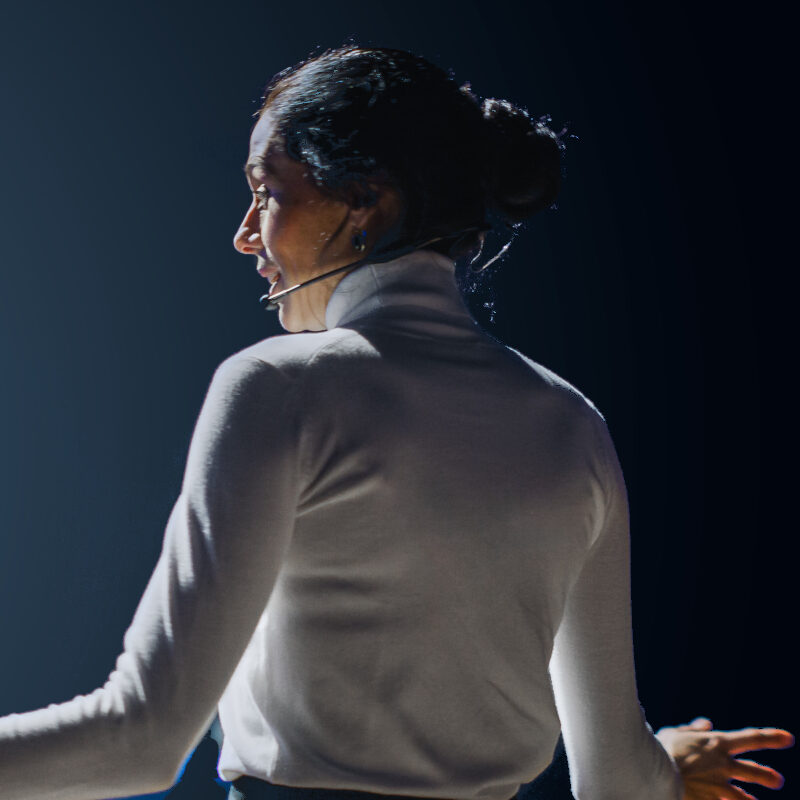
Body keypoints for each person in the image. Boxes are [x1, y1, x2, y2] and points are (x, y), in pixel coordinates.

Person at [0, 43, 792, 800]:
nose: (246, 234)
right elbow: (615, 779)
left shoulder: (277, 387)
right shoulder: (572, 424)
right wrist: (663, 767)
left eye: (267, 192)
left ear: (365, 201)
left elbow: (140, 739)